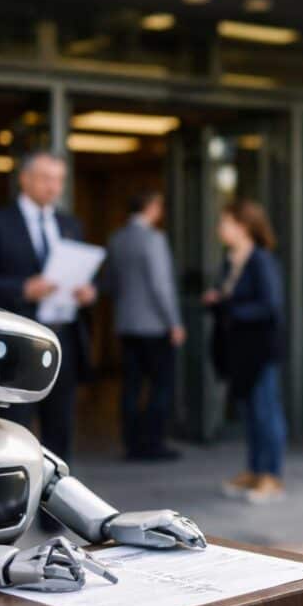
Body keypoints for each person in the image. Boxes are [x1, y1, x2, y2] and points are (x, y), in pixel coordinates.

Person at [0, 150, 96, 465]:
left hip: (62, 340)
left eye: (59, 180)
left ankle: (57, 511)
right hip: (18, 346)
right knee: (14, 433)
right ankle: (15, 506)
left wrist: (88, 293)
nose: (54, 187)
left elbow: (82, 276)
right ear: (25, 179)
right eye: (46, 179)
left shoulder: (70, 224)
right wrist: (23, 288)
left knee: (60, 434)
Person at [204, 201, 288, 504]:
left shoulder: (260, 260)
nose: (220, 229)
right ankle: (255, 471)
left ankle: (272, 476)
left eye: (225, 222)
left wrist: (228, 306)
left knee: (266, 410)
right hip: (238, 349)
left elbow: (269, 305)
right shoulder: (230, 261)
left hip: (260, 348)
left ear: (243, 226)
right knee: (250, 412)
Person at [103, 190, 185, 461]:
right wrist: (174, 322)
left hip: (126, 324)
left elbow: (111, 283)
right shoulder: (154, 239)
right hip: (154, 325)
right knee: (161, 386)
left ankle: (131, 443)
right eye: (159, 205)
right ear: (150, 206)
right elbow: (161, 285)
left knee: (131, 387)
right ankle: (153, 443)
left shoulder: (117, 238)